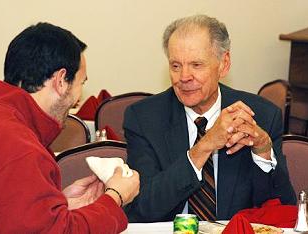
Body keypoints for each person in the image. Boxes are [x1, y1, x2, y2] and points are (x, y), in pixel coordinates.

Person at [0, 23, 139, 233]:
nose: (78, 98)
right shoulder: (15, 142)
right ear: (61, 81)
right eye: (81, 83)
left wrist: (61, 204)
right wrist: (114, 197)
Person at [123, 14, 296, 222]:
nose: (184, 77)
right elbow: (142, 208)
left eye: (196, 65)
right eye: (176, 66)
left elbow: (283, 209)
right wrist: (203, 147)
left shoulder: (261, 115)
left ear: (224, 64)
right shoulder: (144, 118)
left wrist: (262, 151)